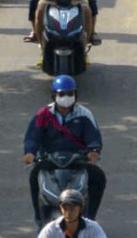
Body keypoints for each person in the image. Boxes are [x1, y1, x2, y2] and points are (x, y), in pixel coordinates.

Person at [23, 74, 106, 218]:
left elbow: (93, 136)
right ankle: (39, 219)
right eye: (61, 94)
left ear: (75, 94)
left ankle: (90, 219)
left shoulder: (85, 114)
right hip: (49, 160)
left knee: (98, 177)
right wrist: (30, 153)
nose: (66, 97)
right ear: (54, 95)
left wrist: (93, 151)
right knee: (34, 177)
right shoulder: (43, 115)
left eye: (70, 93)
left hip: (77, 160)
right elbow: (32, 136)